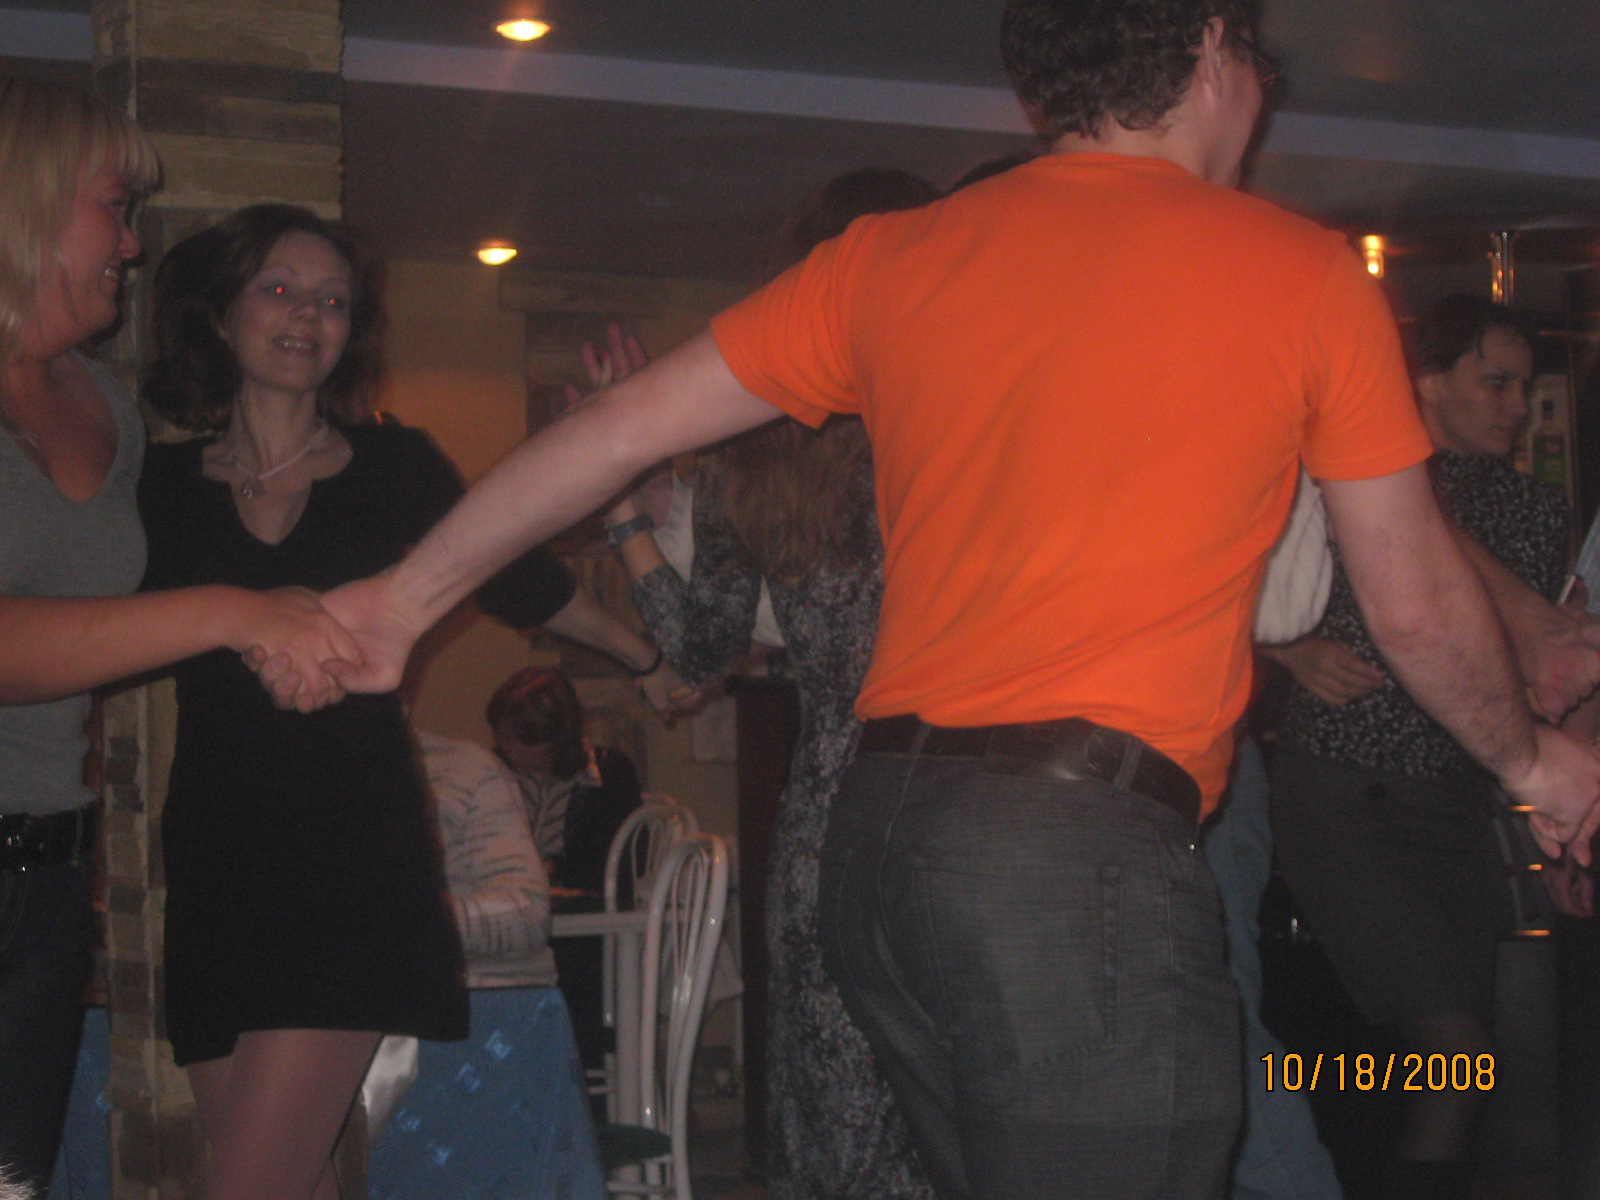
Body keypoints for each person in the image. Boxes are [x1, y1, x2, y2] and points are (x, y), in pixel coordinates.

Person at [310, 0, 1600, 1193]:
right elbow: (1412, 601)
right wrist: (1533, 761)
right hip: (1066, 861)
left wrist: (399, 602)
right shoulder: (1301, 274)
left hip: (883, 846)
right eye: (1257, 65)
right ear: (1212, 48)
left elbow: (610, 433)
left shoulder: (896, 254)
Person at [135, 202, 684, 1200]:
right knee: (287, 1179)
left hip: (352, 860)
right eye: (279, 289)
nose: (308, 315)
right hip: (219, 862)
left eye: (333, 301)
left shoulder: (394, 465)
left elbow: (516, 577)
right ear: (220, 313)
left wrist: (644, 656)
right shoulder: (162, 486)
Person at [0, 80, 362, 1193]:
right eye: (114, 208)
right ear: (28, 199)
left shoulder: (105, 407)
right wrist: (233, 610)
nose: (131, 243)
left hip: (46, 876)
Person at [597, 159, 941, 1200]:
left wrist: (625, 510)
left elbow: (700, 645)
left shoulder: (757, 448)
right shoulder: (964, 415)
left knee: (836, 1090)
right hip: (966, 787)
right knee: (955, 1092)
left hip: (836, 799)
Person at [1267, 296, 1570, 1199]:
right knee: (1453, 1047)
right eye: (1496, 383)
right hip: (1346, 793)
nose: (1516, 408)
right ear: (1427, 383)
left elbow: (1530, 665)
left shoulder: (1533, 507)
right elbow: (1222, 586)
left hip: (1451, 803)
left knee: (1463, 1054)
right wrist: (1288, 650)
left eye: (1524, 388)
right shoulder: (1344, 482)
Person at [366, 728, 606, 1200]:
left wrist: (400, 924)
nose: (514, 750)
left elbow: (530, 908)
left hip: (484, 1003)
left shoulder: (467, 769)